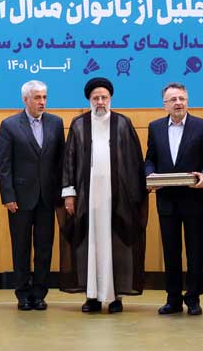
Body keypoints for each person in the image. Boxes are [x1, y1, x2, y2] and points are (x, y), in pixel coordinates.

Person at [59, 77, 147, 313]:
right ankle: (92, 297)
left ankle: (116, 296)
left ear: (110, 99)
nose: (100, 102)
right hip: (87, 198)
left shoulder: (123, 123)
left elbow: (134, 161)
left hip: (117, 198)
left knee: (116, 245)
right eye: (96, 98)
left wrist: (134, 196)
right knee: (89, 246)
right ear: (89, 100)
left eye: (104, 98)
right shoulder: (79, 124)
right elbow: (69, 160)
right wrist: (69, 194)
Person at [145, 82, 203, 316]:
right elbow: (150, 159)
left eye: (182, 99)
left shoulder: (202, 126)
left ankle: (193, 298)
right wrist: (150, 175)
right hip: (166, 200)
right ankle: (173, 299)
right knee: (171, 251)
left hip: (194, 199)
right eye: (173, 99)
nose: (178, 103)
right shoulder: (155, 127)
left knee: (196, 251)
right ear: (164, 105)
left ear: (187, 101)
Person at [0, 80, 65, 311]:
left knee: (44, 248)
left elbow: (61, 161)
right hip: (19, 198)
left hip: (47, 197)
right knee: (21, 248)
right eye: (37, 97)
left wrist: (62, 192)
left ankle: (39, 293)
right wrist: (8, 195)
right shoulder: (9, 125)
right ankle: (23, 294)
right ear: (25, 99)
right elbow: (4, 164)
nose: (42, 102)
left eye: (44, 97)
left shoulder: (56, 123)